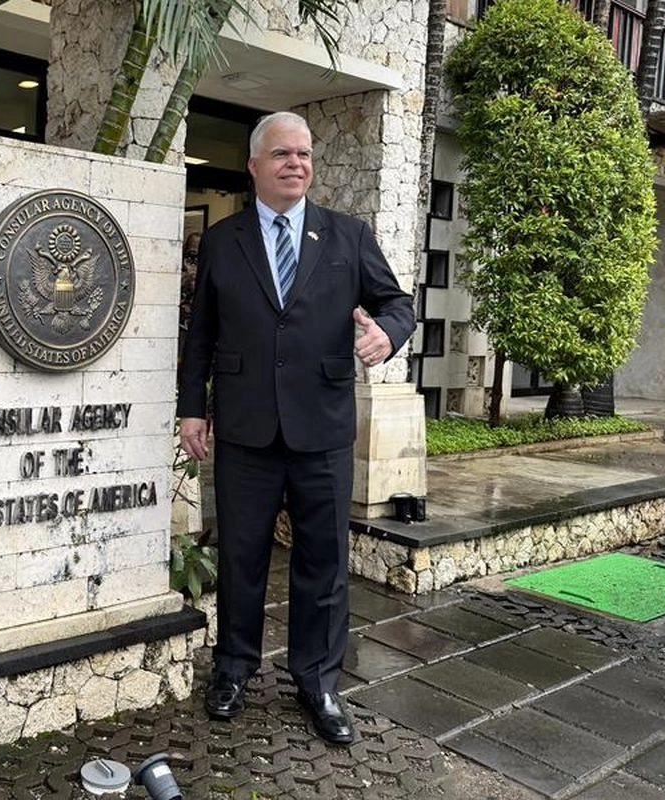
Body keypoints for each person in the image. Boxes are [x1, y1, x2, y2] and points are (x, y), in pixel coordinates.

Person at [177, 112, 414, 744]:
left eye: (304, 154)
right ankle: (233, 669)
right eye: (282, 154)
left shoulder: (347, 235)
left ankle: (318, 682)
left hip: (323, 428)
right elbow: (200, 333)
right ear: (253, 165)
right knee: (242, 557)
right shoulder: (224, 242)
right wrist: (191, 409)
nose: (296, 164)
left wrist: (386, 334)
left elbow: (398, 303)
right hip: (247, 430)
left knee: (323, 562)